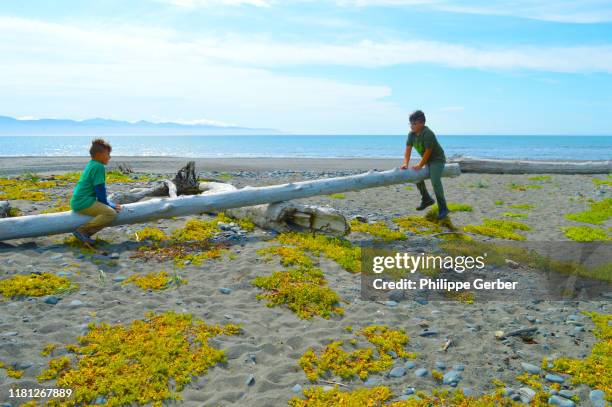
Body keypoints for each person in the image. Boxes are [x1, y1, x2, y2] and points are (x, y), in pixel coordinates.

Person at [70, 139, 122, 244]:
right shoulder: (99, 167)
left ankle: (85, 236)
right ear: (99, 154)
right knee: (110, 213)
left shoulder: (92, 164)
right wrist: (109, 204)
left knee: (108, 210)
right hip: (83, 202)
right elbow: (100, 190)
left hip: (79, 200)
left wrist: (107, 203)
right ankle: (82, 231)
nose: (110, 157)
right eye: (108, 154)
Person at [400, 110, 449, 220]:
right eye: (410, 123)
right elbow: (408, 150)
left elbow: (428, 151)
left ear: (422, 123)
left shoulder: (428, 133)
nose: (412, 126)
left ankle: (443, 208)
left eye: (414, 124)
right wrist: (405, 163)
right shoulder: (411, 135)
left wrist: (421, 165)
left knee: (435, 181)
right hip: (427, 161)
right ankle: (426, 199)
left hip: (437, 160)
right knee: (415, 175)